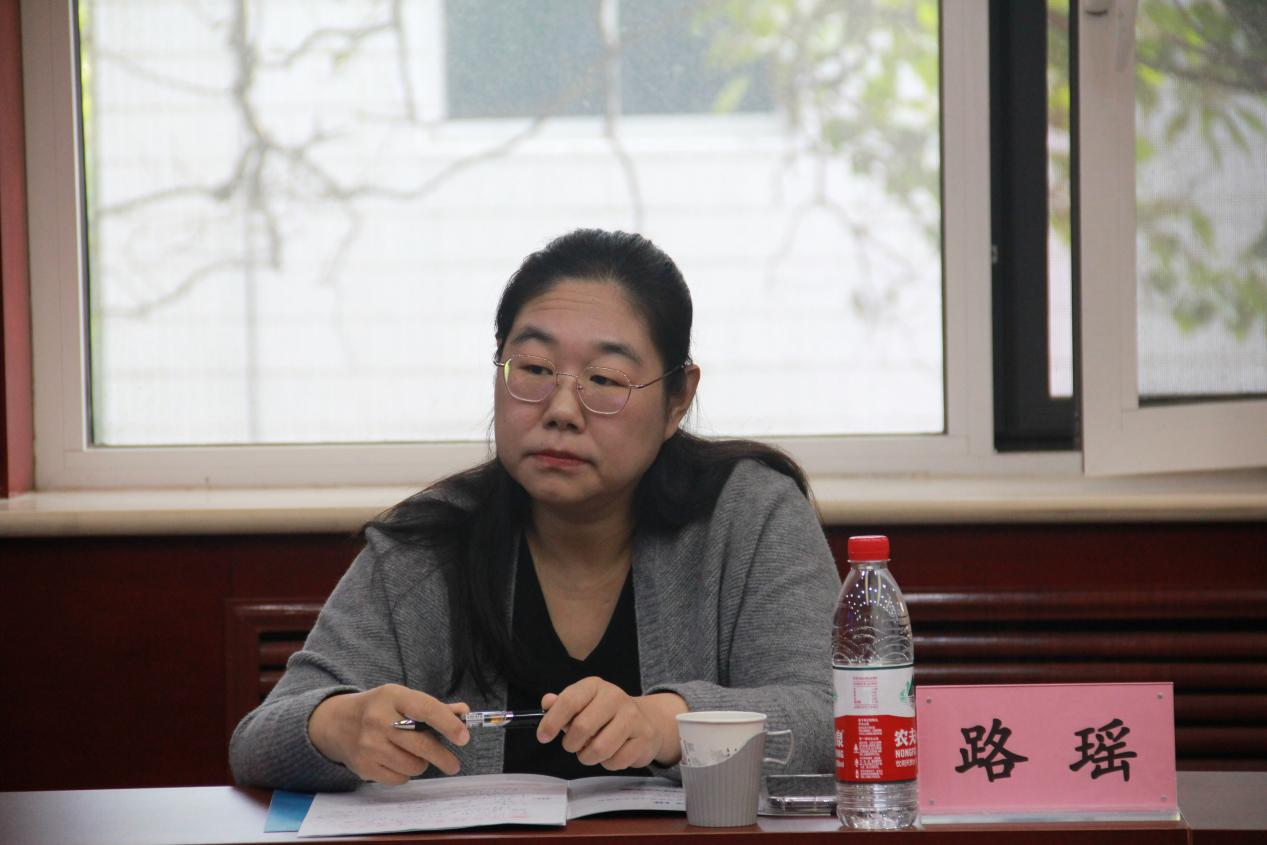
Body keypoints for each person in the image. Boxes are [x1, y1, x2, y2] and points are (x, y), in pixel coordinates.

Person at [229, 229, 841, 792]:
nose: (562, 410)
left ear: (677, 399)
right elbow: (258, 742)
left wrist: (667, 724)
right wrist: (337, 726)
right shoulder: (429, 542)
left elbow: (835, 718)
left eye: (605, 379)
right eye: (535, 369)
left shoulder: (750, 516)